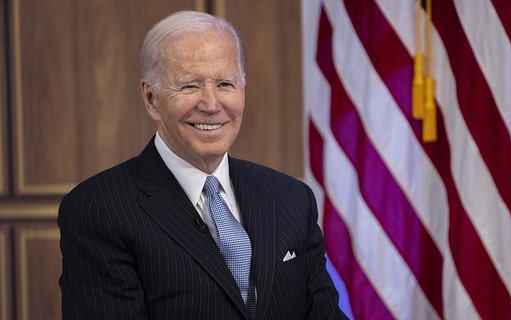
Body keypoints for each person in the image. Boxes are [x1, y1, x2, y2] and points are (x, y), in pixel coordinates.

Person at [58, 10, 347, 320]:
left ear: (243, 90)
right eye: (189, 86)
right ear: (151, 98)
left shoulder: (292, 199)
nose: (211, 104)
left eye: (225, 84)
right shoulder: (98, 209)